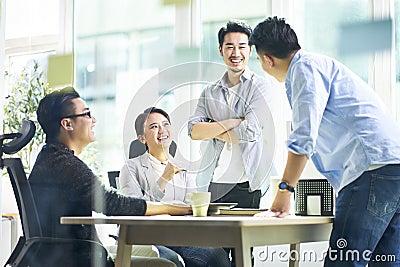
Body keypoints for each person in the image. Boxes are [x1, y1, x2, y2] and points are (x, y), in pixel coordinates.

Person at [249, 16, 400, 266]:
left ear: (267, 59)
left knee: (344, 261)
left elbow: (304, 134)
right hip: (392, 167)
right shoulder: (321, 64)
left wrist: (285, 190)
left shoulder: (303, 68)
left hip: (371, 168)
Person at [29, 87, 191, 267]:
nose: (94, 120)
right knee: (166, 265)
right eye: (87, 114)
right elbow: (114, 203)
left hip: (72, 252)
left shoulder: (53, 158)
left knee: (168, 258)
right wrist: (175, 208)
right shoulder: (63, 164)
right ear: (67, 124)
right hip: (77, 257)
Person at [119, 106, 231, 267]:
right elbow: (134, 209)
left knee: (216, 253)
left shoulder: (183, 168)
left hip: (180, 236)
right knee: (181, 259)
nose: (162, 130)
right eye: (154, 126)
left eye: (165, 124)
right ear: (142, 138)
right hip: (147, 237)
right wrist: (164, 178)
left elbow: (191, 207)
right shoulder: (131, 168)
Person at [188, 19, 274, 208]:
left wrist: (211, 129)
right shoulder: (209, 92)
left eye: (242, 46)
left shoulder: (260, 87)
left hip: (247, 185)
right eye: (229, 47)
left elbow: (248, 132)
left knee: (248, 238)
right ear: (221, 50)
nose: (236, 53)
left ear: (250, 50)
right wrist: (232, 122)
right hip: (213, 183)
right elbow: (194, 131)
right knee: (212, 238)